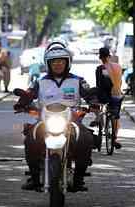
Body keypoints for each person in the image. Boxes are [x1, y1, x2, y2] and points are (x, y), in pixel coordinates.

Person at [14, 41, 94, 192]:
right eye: (54, 62)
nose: (58, 64)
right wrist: (23, 101)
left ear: (67, 62)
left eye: (61, 61)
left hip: (72, 118)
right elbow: (29, 93)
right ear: (48, 63)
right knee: (30, 139)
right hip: (45, 118)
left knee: (86, 138)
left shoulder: (78, 80)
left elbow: (88, 94)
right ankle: (35, 178)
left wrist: (94, 101)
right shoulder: (40, 81)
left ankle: (79, 179)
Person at [90, 47, 123, 149]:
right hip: (117, 96)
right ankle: (115, 137)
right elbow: (120, 83)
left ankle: (98, 117)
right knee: (115, 115)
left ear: (100, 57)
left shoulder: (100, 69)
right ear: (109, 56)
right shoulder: (118, 67)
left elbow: (99, 85)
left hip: (105, 97)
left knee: (91, 98)